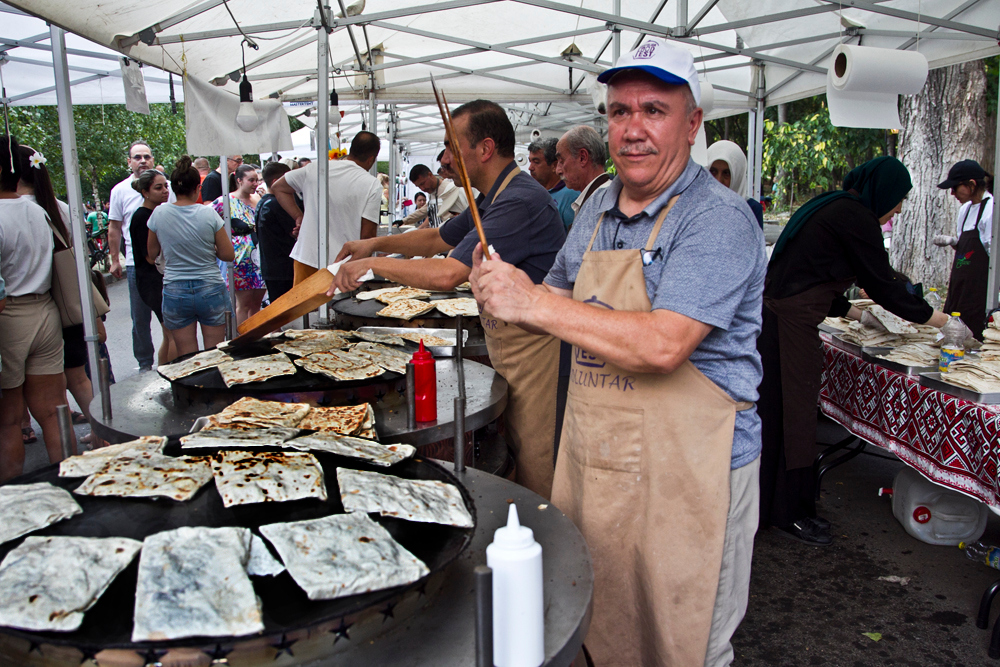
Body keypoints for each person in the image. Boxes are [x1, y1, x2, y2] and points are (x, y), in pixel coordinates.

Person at [472, 40, 764, 666]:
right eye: (619, 111)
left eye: (654, 110)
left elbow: (664, 345)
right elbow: (549, 297)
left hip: (694, 472)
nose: (633, 129)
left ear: (692, 125)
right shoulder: (597, 208)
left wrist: (536, 305)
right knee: (596, 623)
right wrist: (498, 292)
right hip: (597, 456)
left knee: (683, 641)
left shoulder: (718, 219)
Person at [331, 100, 566, 500]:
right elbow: (438, 238)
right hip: (513, 345)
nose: (444, 159)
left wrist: (372, 264)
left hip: (539, 350)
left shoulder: (519, 200)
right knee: (515, 449)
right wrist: (375, 242)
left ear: (485, 149)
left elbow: (447, 273)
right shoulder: (492, 196)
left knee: (537, 463)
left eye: (450, 147)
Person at [761, 156, 954, 548]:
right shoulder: (855, 218)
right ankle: (788, 513)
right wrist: (943, 322)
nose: (898, 208)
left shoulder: (832, 204)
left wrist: (853, 313)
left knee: (782, 416)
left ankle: (776, 504)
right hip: (787, 327)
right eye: (898, 198)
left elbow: (810, 273)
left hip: (777, 318)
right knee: (793, 418)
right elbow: (882, 285)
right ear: (882, 191)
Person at [0, 136, 74, 481]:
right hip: (46, 311)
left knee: (9, 419)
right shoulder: (38, 209)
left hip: (10, 317)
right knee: (53, 411)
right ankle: (71, 482)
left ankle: (13, 497)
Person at [16, 144, 99, 432]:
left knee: (28, 384)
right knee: (78, 376)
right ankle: (102, 434)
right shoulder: (59, 207)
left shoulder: (19, 210)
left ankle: (28, 427)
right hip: (67, 302)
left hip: (31, 305)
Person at [147, 156, 235, 357]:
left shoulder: (158, 214)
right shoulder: (208, 214)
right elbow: (228, 253)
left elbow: (151, 254)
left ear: (173, 189)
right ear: (198, 187)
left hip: (175, 288)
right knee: (214, 354)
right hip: (209, 285)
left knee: (188, 357)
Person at [270, 132, 382, 285]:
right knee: (339, 306)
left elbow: (278, 187)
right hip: (343, 263)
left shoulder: (316, 168)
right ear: (372, 159)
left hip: (307, 257)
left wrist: (298, 216)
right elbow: (368, 235)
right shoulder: (371, 184)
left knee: (304, 306)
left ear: (351, 150)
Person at [109, 140, 175, 371]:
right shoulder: (123, 194)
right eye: (137, 157)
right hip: (143, 269)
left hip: (162, 271)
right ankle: (146, 365)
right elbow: (115, 227)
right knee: (143, 320)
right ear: (129, 162)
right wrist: (114, 259)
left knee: (170, 328)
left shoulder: (163, 199)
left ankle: (163, 370)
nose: (143, 161)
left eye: (146, 156)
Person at [933, 159, 994, 337]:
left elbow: (990, 251)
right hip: (959, 285)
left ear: (972, 185)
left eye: (955, 187)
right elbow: (966, 246)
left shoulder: (991, 209)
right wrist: (953, 242)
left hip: (978, 290)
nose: (952, 193)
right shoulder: (965, 209)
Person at [129, 169, 176, 366]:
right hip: (152, 280)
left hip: (157, 279)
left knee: (169, 335)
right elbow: (149, 257)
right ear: (145, 192)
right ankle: (173, 377)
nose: (165, 191)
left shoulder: (155, 213)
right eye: (159, 187)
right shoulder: (143, 217)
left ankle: (164, 375)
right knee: (174, 335)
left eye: (166, 186)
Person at [213, 164, 265, 324]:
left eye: (257, 180)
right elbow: (209, 221)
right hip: (239, 259)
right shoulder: (224, 201)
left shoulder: (257, 199)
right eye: (251, 180)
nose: (255, 184)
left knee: (257, 303)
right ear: (239, 180)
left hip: (260, 258)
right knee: (244, 304)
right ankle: (242, 338)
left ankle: (256, 336)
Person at [256, 161, 300, 301]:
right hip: (284, 268)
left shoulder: (263, 202)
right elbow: (295, 232)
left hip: (271, 267)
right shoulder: (278, 204)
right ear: (276, 182)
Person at [554, 125, 611, 216]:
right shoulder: (599, 198)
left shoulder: (604, 201)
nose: (558, 171)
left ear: (582, 158)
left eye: (561, 160)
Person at [707, 140, 764, 228]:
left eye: (726, 173)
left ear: (738, 175)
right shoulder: (696, 207)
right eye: (713, 172)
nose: (718, 180)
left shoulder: (751, 210)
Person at [528, 137, 579, 229]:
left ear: (554, 166)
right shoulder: (536, 193)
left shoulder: (570, 196)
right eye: (530, 161)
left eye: (536, 162)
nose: (530, 167)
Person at [400, 163, 469, 229]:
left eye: (423, 183)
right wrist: (404, 221)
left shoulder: (449, 189)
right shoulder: (431, 192)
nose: (422, 188)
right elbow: (424, 210)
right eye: (419, 186)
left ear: (430, 175)